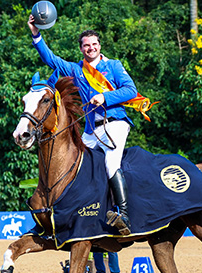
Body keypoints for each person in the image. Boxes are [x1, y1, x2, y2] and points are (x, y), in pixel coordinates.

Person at [28, 15, 139, 235]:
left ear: (100, 46)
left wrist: (104, 97)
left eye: (94, 45)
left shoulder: (114, 66)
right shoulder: (76, 70)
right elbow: (50, 59)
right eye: (86, 46)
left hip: (114, 124)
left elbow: (131, 91)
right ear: (81, 49)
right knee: (75, 165)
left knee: (109, 164)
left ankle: (123, 213)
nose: (91, 48)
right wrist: (35, 33)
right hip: (91, 130)